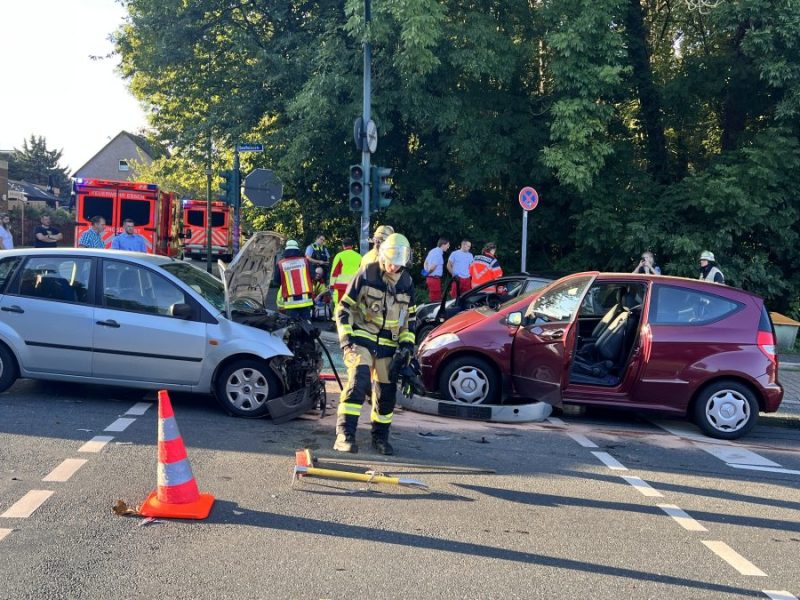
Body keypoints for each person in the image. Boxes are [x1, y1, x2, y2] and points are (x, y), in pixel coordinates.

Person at [335, 233, 416, 455]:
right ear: (383, 256)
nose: (393, 267)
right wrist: (346, 341)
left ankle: (380, 437)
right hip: (362, 338)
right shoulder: (367, 274)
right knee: (358, 381)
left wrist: (407, 347)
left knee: (386, 394)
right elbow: (343, 308)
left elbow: (409, 320)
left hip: (388, 345)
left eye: (398, 263)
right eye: (391, 261)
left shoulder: (407, 283)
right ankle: (345, 435)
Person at [273, 239, 313, 319]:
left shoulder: (281, 264)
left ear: (286, 250)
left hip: (290, 302)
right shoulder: (305, 261)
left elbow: (276, 282)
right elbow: (313, 276)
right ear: (297, 250)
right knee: (306, 323)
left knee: (292, 324)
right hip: (305, 300)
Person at [329, 238, 361, 305]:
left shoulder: (339, 256)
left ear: (343, 246)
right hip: (355, 287)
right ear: (352, 245)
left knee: (339, 308)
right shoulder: (359, 257)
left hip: (341, 287)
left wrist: (331, 286)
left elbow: (334, 272)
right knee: (353, 308)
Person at [423, 237, 450, 302]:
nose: (448, 247)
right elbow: (433, 267)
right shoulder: (438, 254)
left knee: (432, 296)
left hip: (430, 278)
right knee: (436, 299)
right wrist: (428, 273)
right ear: (443, 245)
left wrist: (426, 272)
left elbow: (425, 263)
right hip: (434, 279)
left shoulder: (432, 251)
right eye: (448, 245)